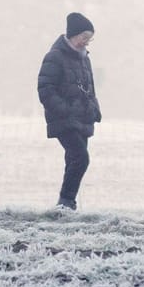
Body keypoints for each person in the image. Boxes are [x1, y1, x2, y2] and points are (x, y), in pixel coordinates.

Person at [37, 11, 101, 211]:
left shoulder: (85, 59)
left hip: (83, 119)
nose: (86, 42)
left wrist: (95, 109)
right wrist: (65, 110)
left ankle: (65, 206)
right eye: (84, 38)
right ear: (73, 34)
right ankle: (66, 202)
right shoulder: (54, 56)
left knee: (73, 160)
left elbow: (91, 88)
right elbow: (45, 89)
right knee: (81, 158)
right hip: (64, 119)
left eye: (89, 39)